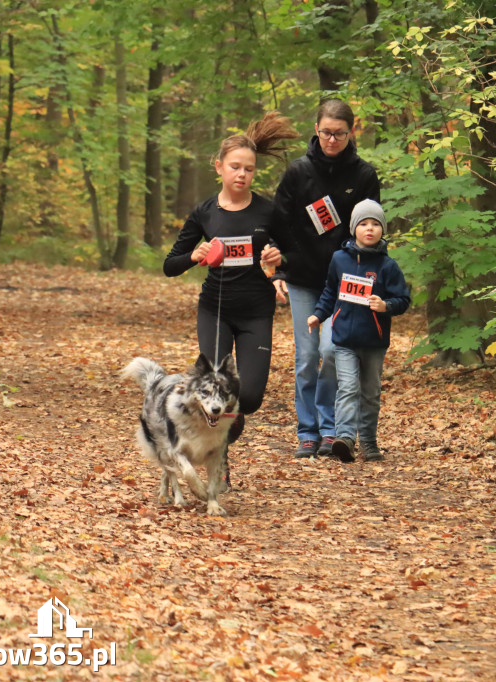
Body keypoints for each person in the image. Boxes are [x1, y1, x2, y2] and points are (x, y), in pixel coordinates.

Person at [163, 111, 300, 485]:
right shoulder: (205, 213)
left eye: (249, 169)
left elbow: (293, 253)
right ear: (219, 167)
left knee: (250, 398)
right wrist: (194, 255)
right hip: (215, 310)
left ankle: (218, 447)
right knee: (217, 387)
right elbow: (169, 265)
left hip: (256, 312)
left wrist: (280, 262)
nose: (242, 174)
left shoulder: (268, 211)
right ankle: (214, 461)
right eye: (235, 167)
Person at [272, 99, 381, 459]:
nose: (331, 140)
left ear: (352, 133)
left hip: (346, 283)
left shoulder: (364, 176)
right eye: (325, 133)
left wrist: (371, 272)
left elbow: (373, 230)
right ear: (315, 130)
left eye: (339, 134)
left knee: (333, 351)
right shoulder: (297, 172)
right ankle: (308, 431)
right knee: (306, 357)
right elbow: (279, 224)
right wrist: (280, 268)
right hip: (304, 278)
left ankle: (330, 428)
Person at [307, 199, 410, 463]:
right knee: (348, 388)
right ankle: (344, 439)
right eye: (363, 223)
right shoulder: (339, 259)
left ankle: (368, 441)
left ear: (382, 230)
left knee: (371, 392)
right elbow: (330, 291)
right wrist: (318, 315)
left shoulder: (388, 266)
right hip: (344, 339)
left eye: (375, 224)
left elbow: (403, 300)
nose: (369, 229)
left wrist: (385, 305)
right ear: (354, 228)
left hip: (374, 341)